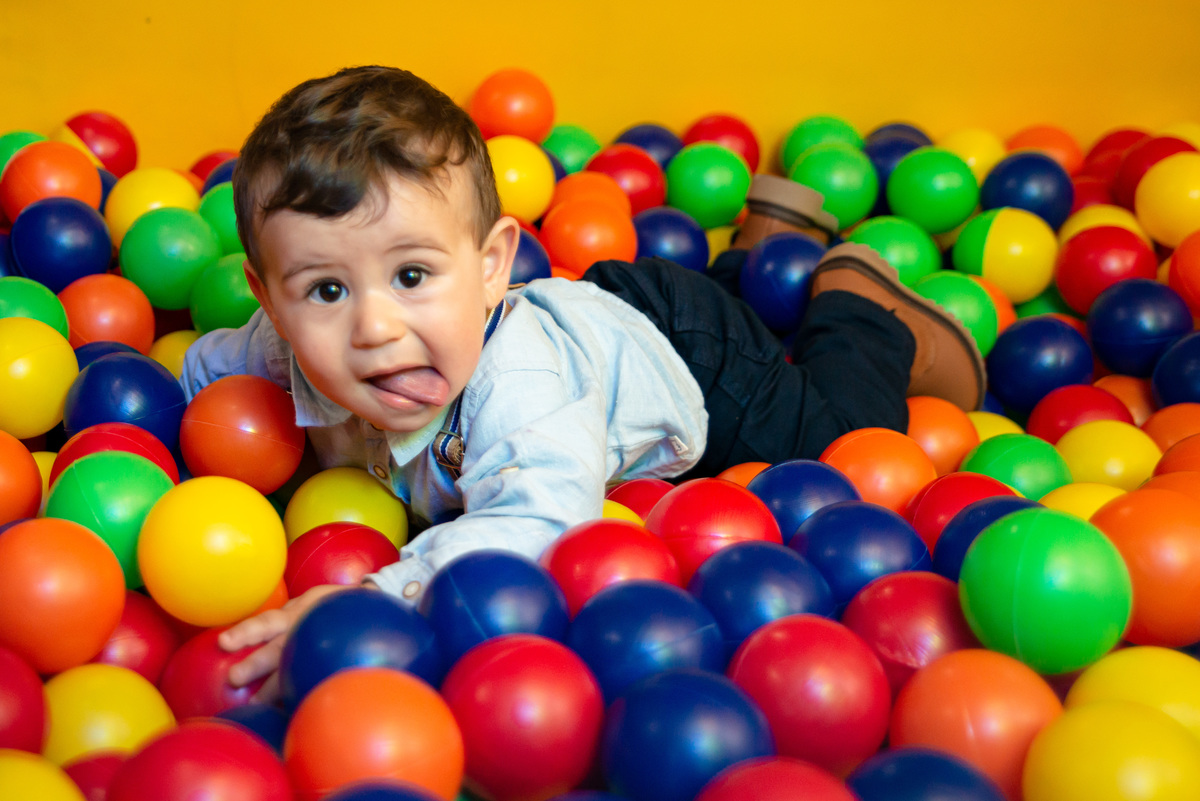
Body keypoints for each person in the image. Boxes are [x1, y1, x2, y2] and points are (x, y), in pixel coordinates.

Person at [186, 65, 984, 699]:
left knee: (839, 451)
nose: (375, 328)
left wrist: (376, 597)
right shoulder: (280, 349)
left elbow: (539, 517)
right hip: (598, 318)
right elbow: (204, 371)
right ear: (274, 303)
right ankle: (767, 247)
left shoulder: (521, 388)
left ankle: (857, 304)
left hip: (685, 354)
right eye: (327, 290)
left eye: (413, 274)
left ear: (492, 265)